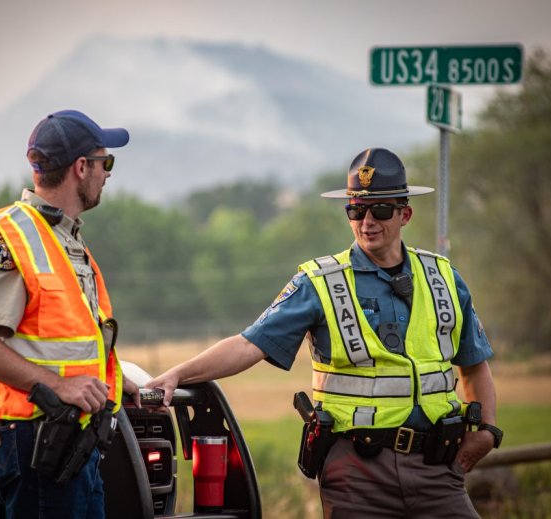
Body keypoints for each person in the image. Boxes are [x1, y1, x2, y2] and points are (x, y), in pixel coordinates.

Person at [146, 148, 501, 518]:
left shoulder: (443, 278)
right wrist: (176, 375)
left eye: (379, 210)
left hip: (437, 470)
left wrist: (488, 430)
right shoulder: (319, 282)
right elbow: (248, 344)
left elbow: (474, 366)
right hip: (357, 475)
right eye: (355, 209)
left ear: (404, 214)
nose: (367, 221)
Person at [0, 109, 141, 519]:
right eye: (106, 163)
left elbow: (68, 343)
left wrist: (115, 389)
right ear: (81, 167)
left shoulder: (63, 238)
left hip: (68, 442)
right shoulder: (15, 236)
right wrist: (59, 388)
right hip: (35, 442)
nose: (108, 173)